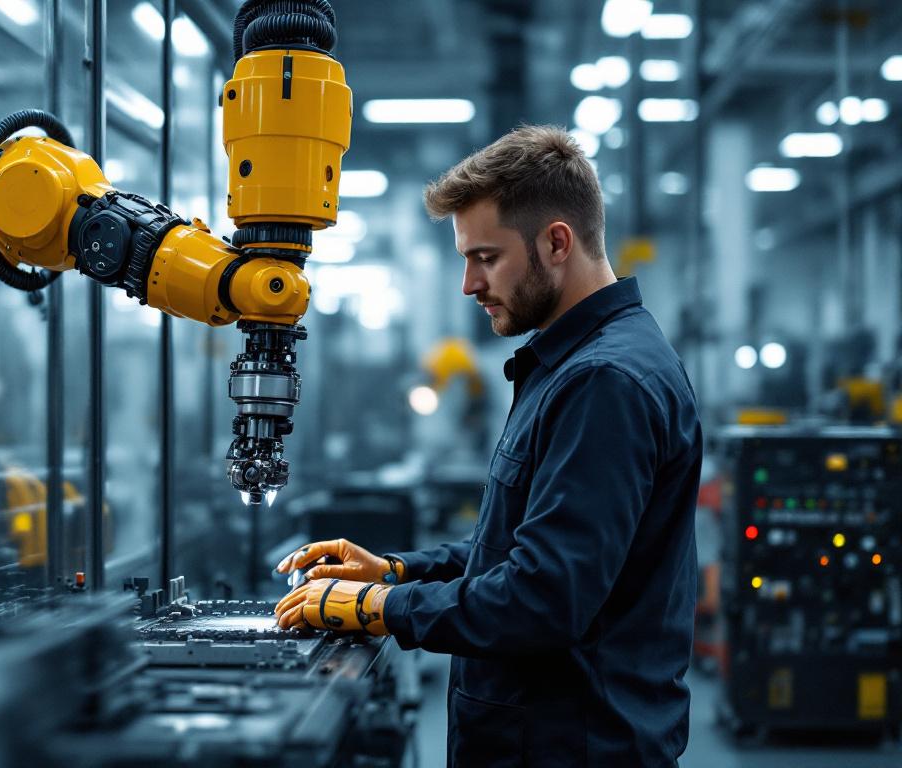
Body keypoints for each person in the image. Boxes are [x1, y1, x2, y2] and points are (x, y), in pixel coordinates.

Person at [275, 125, 702, 766]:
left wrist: (378, 607)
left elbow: (543, 598)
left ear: (557, 242)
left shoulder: (603, 381)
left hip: (570, 746)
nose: (469, 285)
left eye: (486, 257)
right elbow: (523, 548)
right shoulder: (573, 365)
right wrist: (399, 571)